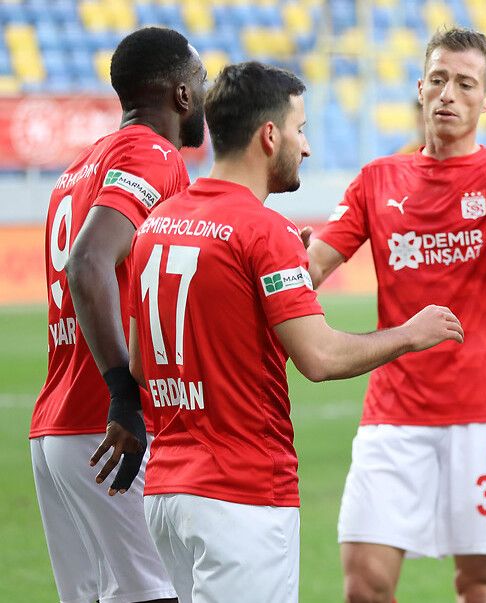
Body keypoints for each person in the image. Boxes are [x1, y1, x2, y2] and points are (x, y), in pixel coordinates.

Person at [113, 61, 463, 603]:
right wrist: (409, 334)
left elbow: (139, 363)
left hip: (167, 495)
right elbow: (319, 358)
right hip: (242, 492)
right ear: (269, 135)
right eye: (301, 131)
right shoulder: (263, 229)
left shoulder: (157, 221)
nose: (307, 148)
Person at [304, 28, 486, 603]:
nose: (448, 95)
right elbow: (307, 271)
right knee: (364, 582)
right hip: (393, 416)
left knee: (478, 584)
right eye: (438, 80)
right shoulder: (376, 180)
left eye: (464, 84)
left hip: (485, 418)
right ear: (419, 89)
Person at [30, 26, 204, 603]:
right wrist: (124, 396)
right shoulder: (151, 154)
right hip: (107, 425)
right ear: (182, 94)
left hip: (59, 425)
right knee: (155, 593)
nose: (204, 96)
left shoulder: (81, 167)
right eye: (200, 83)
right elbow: (88, 263)